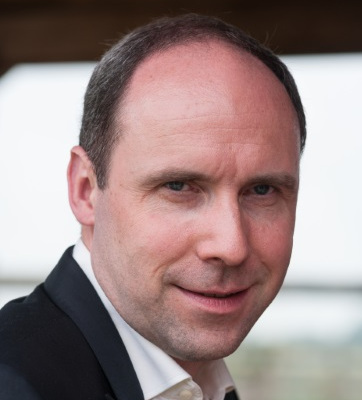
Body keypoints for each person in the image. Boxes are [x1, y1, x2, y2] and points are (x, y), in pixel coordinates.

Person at [0, 13, 306, 400]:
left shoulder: (199, 385)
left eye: (262, 190)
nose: (231, 246)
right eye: (178, 187)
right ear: (85, 190)